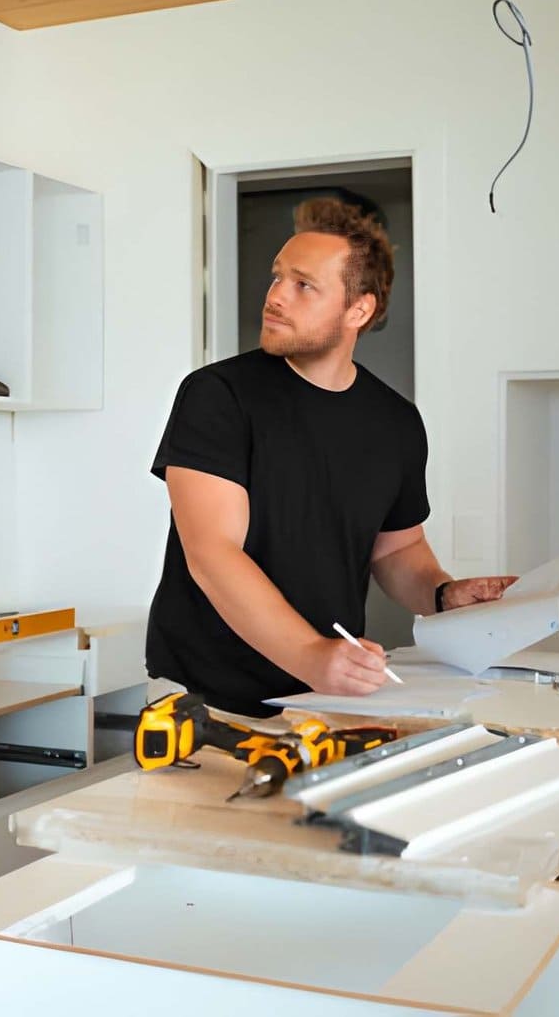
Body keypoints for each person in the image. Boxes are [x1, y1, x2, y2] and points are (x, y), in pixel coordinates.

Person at [146, 197, 516, 718]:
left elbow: (396, 550)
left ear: (358, 310)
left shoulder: (396, 422)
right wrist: (311, 655)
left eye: (303, 285)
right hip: (204, 701)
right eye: (277, 277)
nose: (275, 296)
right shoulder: (217, 395)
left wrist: (441, 595)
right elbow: (213, 555)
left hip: (323, 696)